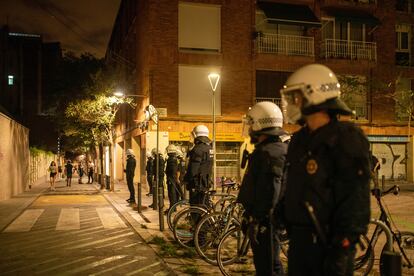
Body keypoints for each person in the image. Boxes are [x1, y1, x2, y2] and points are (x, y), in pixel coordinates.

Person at [280, 64, 371, 276]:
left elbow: (355, 198)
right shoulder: (300, 140)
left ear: (314, 94)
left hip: (330, 243)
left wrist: (344, 246)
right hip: (300, 243)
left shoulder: (346, 138)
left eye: (296, 96)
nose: (293, 103)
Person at [237, 101, 287, 276]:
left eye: (251, 124)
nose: (249, 128)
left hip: (267, 222)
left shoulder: (269, 153)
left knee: (269, 266)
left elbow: (272, 190)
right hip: (266, 220)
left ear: (260, 123)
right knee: (267, 264)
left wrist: (257, 218)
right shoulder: (271, 150)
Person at [184, 125, 213, 221]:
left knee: (196, 211)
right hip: (205, 182)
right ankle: (205, 230)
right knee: (204, 209)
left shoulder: (197, 149)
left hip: (197, 185)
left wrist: (186, 180)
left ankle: (200, 234)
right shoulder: (210, 148)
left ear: (196, 135)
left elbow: (193, 169)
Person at [165, 144, 181, 211]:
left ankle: (172, 208)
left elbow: (173, 170)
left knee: (172, 194)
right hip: (172, 179)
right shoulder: (174, 158)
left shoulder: (171, 159)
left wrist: (171, 178)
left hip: (171, 179)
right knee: (172, 193)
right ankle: (172, 207)